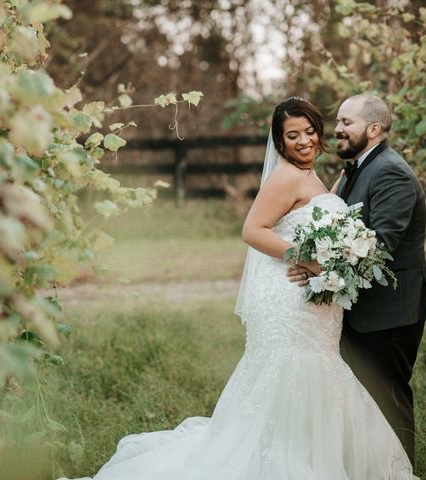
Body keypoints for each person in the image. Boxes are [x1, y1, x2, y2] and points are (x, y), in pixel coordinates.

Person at [59, 97, 416, 480]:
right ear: (279, 141)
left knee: (314, 373)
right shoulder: (286, 176)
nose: (304, 140)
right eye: (292, 135)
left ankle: (312, 455)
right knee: (296, 371)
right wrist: (307, 260)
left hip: (317, 299)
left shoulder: (317, 174)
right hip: (293, 300)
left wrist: (330, 262)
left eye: (310, 131)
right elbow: (252, 230)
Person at [289, 94, 426, 464]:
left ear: (374, 129)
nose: (336, 129)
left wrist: (318, 268)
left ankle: (403, 471)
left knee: (388, 400)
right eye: (337, 122)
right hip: (362, 310)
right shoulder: (359, 169)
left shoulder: (390, 172)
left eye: (346, 123)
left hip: (389, 314)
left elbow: (380, 244)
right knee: (365, 402)